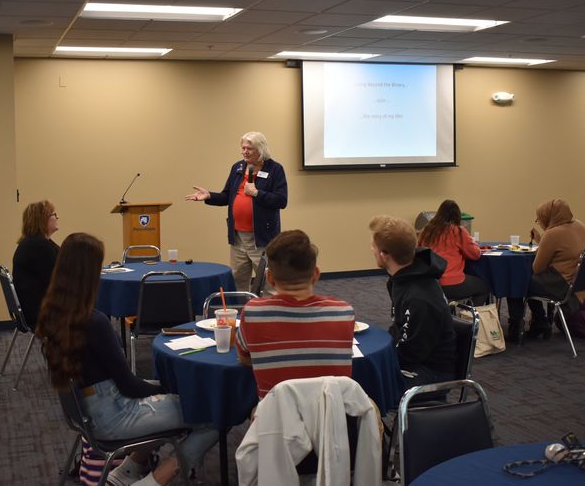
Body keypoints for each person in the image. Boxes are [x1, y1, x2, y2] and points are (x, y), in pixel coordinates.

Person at [36, 233, 217, 486]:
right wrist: (167, 389)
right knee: (214, 413)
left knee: (173, 402)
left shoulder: (54, 313)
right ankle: (155, 480)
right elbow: (129, 387)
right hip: (115, 416)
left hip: (89, 413)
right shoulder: (94, 322)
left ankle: (129, 470)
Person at [235, 229, 355, 399]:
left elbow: (245, 359)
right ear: (316, 274)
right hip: (332, 420)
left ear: (269, 278)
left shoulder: (253, 313)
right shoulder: (343, 312)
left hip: (275, 420)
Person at [185, 131, 288, 291]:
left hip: (261, 237)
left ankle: (271, 313)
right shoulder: (238, 167)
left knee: (269, 282)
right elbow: (227, 196)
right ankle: (242, 314)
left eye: (249, 149)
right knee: (238, 280)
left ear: (260, 149)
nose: (244, 152)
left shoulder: (275, 169)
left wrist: (257, 193)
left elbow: (281, 200)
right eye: (243, 148)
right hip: (238, 237)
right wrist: (209, 196)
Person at [369, 215, 456, 389]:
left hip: (431, 372)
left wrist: (379, 362)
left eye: (373, 246)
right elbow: (399, 329)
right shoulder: (402, 279)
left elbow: (411, 353)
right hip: (416, 359)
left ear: (384, 255)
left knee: (363, 387)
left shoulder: (419, 298)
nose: (371, 250)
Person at [508, 198, 585, 341]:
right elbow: (561, 250)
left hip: (562, 285)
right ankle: (540, 321)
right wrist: (542, 240)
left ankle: (526, 326)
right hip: (581, 284)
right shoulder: (579, 225)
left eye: (539, 218)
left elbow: (537, 268)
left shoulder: (552, 233)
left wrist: (544, 240)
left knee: (516, 282)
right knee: (529, 282)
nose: (539, 222)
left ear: (548, 216)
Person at [418, 199, 490, 306]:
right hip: (451, 283)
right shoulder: (458, 231)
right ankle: (468, 317)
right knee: (484, 288)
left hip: (428, 283)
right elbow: (475, 255)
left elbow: (419, 251)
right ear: (457, 216)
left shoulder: (426, 230)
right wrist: (473, 244)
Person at [12, 200, 60, 329]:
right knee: (93, 313)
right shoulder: (39, 246)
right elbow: (57, 281)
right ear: (43, 220)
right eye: (54, 214)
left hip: (35, 307)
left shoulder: (35, 242)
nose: (57, 217)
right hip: (41, 313)